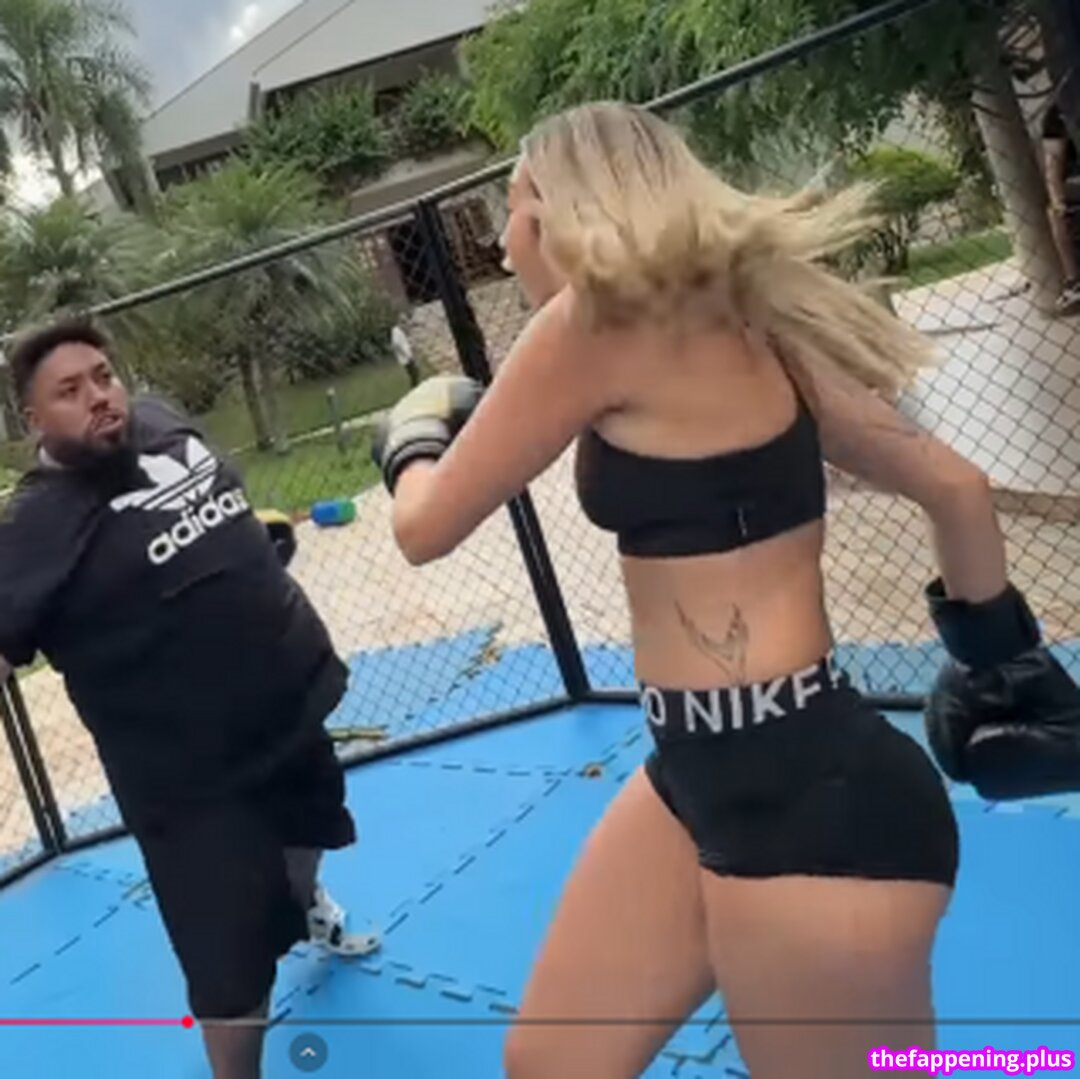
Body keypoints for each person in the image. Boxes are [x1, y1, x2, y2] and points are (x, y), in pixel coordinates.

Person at [371, 102, 1080, 1077]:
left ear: (567, 207)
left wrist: (411, 439)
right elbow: (955, 488)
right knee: (551, 1060)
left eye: (515, 204)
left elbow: (424, 527)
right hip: (705, 772)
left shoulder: (588, 322)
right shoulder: (753, 325)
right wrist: (996, 660)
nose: (502, 239)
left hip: (806, 805)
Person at [0, 318, 380, 1079]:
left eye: (103, 376)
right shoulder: (33, 528)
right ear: (33, 420)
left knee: (310, 828)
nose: (99, 397)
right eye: (69, 391)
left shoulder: (162, 419)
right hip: (191, 783)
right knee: (231, 970)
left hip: (291, 701)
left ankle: (306, 906)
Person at [1041, 95, 1080, 314]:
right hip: (1075, 180)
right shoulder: (1057, 114)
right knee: (1054, 213)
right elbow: (1052, 167)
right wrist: (1058, 203)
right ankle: (1074, 280)